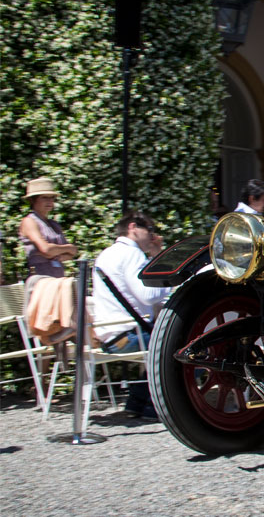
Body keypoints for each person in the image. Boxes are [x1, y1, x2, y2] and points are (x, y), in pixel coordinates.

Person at [93, 211, 171, 418]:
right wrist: (169, 284)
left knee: (164, 343)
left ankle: (137, 403)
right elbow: (148, 295)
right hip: (129, 335)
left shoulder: (107, 253)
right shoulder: (132, 254)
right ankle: (154, 406)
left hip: (110, 335)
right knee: (185, 349)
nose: (153, 237)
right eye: (150, 230)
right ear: (133, 228)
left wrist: (154, 257)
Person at [18, 177, 78, 279]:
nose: (49, 201)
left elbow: (73, 252)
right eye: (44, 197)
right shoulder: (29, 221)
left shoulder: (53, 224)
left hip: (57, 276)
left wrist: (62, 251)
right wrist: (65, 249)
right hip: (40, 277)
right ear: (33, 200)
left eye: (52, 198)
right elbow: (46, 249)